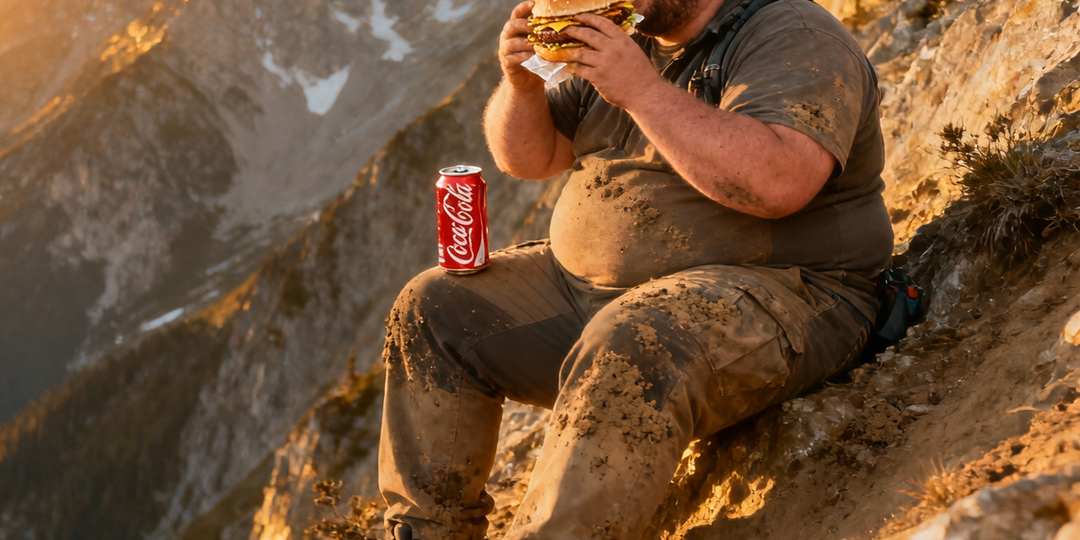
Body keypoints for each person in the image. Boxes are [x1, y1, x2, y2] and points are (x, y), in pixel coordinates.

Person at [377, 0, 894, 537]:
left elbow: (779, 182)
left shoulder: (793, 33)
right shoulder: (630, 36)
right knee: (434, 306)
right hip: (596, 297)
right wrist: (522, 82)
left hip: (785, 292)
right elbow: (529, 158)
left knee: (631, 337)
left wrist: (642, 91)